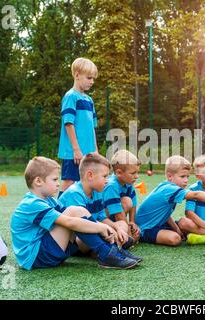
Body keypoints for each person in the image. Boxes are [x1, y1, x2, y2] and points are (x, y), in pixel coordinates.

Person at [11, 156, 140, 270]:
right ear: (38, 181)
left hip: (47, 250)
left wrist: (107, 227)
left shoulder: (48, 200)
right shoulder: (31, 204)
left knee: (78, 211)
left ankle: (111, 250)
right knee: (74, 211)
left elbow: (76, 216)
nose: (58, 184)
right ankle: (106, 253)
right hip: (36, 257)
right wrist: (101, 227)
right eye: (55, 179)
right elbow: (69, 221)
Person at [135, 155, 205, 246]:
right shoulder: (169, 189)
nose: (186, 180)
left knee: (180, 229)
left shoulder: (170, 188)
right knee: (175, 239)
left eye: (187, 177)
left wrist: (176, 229)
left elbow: (165, 214)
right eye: (182, 177)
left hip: (159, 224)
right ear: (169, 176)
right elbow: (196, 195)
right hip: (146, 228)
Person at [58, 153, 142, 262]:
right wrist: (109, 229)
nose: (107, 180)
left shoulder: (97, 192)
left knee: (121, 225)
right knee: (104, 230)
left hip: (92, 230)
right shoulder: (74, 194)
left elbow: (102, 217)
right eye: (104, 176)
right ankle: (109, 250)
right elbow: (82, 225)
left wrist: (117, 228)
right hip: (75, 240)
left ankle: (109, 250)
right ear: (90, 176)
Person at [58, 58, 99, 195]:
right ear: (76, 75)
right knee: (69, 182)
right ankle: (58, 211)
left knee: (87, 182)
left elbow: (92, 127)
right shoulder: (71, 96)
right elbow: (68, 123)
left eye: (93, 78)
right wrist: (76, 149)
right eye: (89, 78)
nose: (92, 81)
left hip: (88, 152)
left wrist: (95, 150)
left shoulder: (89, 100)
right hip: (73, 152)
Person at [103, 150, 142, 247]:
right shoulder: (112, 186)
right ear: (119, 173)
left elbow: (133, 202)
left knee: (129, 201)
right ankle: (119, 235)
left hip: (116, 218)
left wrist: (132, 222)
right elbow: (118, 214)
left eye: (137, 172)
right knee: (126, 201)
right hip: (103, 219)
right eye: (133, 173)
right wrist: (129, 236)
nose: (137, 176)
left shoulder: (127, 182)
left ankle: (121, 232)